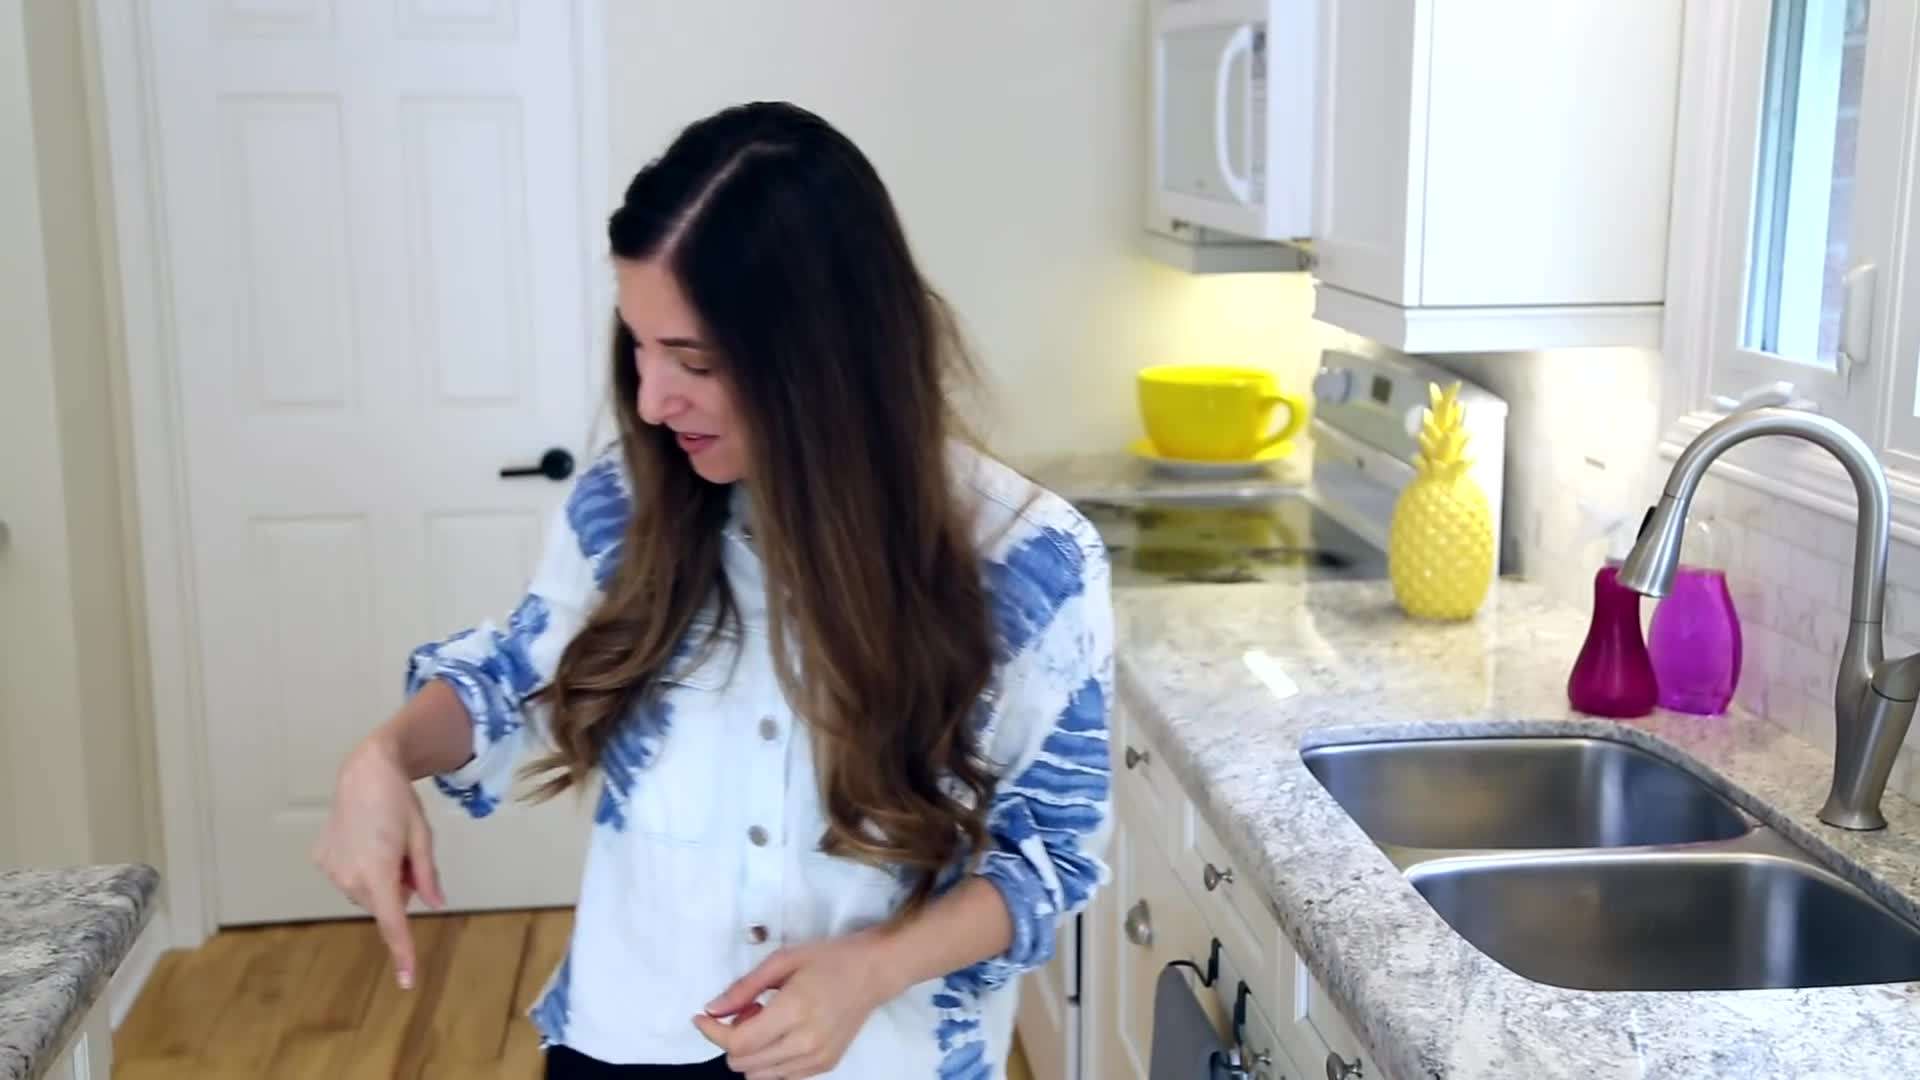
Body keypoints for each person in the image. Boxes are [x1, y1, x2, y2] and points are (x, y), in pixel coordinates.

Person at [312, 101, 1114, 1080]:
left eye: (694, 362)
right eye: (640, 348)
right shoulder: (630, 502)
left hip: (878, 1055)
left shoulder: (1026, 563)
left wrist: (872, 969)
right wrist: (383, 757)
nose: (651, 400)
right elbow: (520, 675)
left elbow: (1051, 855)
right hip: (630, 1042)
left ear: (827, 358)